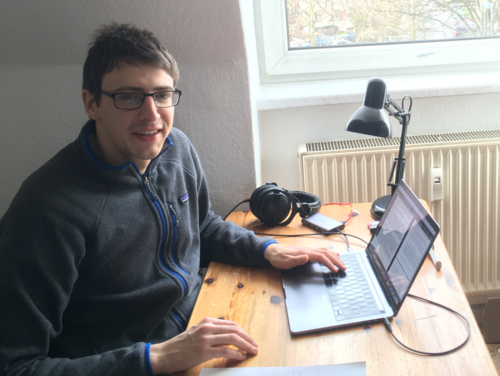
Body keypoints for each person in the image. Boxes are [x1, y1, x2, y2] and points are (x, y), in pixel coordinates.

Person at [0, 23, 345, 376]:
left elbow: (203, 226)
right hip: (131, 362)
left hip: (202, 317)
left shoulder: (176, 147)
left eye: (162, 95)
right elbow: (16, 366)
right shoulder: (46, 211)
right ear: (92, 103)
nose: (152, 115)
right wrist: (156, 358)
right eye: (129, 97)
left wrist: (267, 250)